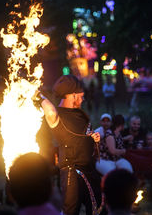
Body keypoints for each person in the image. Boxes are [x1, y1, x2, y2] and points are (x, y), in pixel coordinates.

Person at [39, 75, 102, 215]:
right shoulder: (58, 115)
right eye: (81, 96)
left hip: (89, 169)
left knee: (98, 209)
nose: (83, 99)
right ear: (72, 96)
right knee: (71, 211)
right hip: (71, 171)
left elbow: (82, 133)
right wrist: (38, 95)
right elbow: (50, 111)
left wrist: (92, 137)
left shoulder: (80, 114)